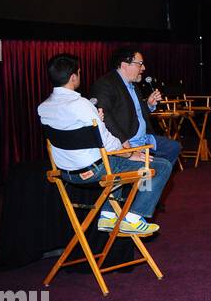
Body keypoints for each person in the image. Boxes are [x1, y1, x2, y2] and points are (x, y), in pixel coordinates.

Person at [39, 53, 173, 237]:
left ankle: (108, 215)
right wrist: (129, 153)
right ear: (73, 77)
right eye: (78, 72)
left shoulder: (44, 107)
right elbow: (108, 144)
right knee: (161, 166)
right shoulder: (82, 105)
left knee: (118, 168)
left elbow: (75, 129)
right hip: (95, 169)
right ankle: (133, 218)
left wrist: (96, 121)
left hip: (66, 173)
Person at [89, 47, 182, 166]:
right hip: (128, 141)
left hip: (144, 138)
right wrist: (123, 141)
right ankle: (145, 179)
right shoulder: (106, 84)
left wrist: (148, 104)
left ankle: (148, 179)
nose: (143, 68)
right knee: (162, 166)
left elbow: (136, 114)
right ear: (124, 65)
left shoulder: (133, 85)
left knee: (173, 148)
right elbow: (104, 115)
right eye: (140, 64)